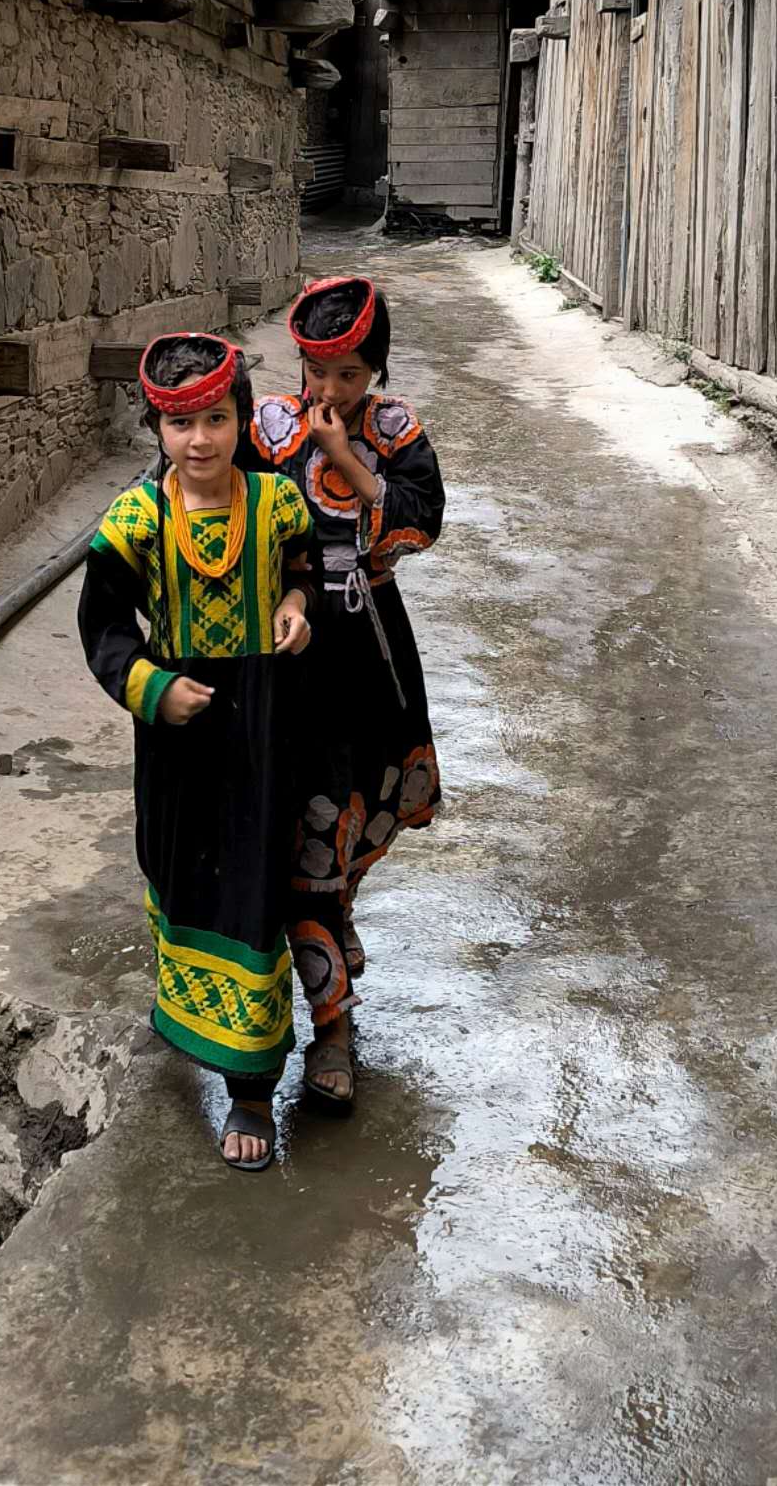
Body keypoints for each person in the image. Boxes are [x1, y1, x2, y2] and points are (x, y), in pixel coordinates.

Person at [78, 333, 318, 1173]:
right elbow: (102, 625)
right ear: (155, 427)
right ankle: (186, 1017)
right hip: (176, 734)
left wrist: (294, 601)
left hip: (260, 727)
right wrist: (148, 683)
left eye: (216, 418)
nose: (201, 440)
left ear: (243, 418)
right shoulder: (137, 518)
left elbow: (306, 563)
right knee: (179, 870)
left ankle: (252, 1083)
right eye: (180, 423)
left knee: (253, 882)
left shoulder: (276, 499)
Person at [247, 278, 444, 1108]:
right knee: (302, 830)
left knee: (351, 806)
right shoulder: (262, 426)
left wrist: (343, 459)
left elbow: (421, 520)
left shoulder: (395, 430)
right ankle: (332, 1018)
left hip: (363, 645)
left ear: (377, 369)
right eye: (318, 370)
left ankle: (333, 1000)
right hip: (277, 644)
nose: (328, 391)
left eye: (350, 375)